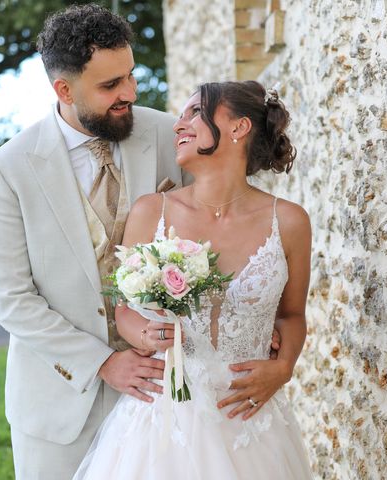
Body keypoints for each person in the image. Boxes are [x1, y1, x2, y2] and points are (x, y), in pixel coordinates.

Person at [0, 4, 188, 478]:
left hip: (162, 395)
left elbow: (218, 222)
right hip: (58, 411)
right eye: (110, 85)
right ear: (64, 89)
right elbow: (13, 300)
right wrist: (102, 363)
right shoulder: (9, 169)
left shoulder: (166, 134)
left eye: (131, 76)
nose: (130, 93)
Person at [74, 80, 313, 479]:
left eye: (194, 113)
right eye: (181, 115)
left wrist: (284, 365)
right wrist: (145, 335)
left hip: (250, 420)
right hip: (163, 423)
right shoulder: (152, 212)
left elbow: (292, 315)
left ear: (238, 128)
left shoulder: (288, 221)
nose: (178, 125)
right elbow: (124, 310)